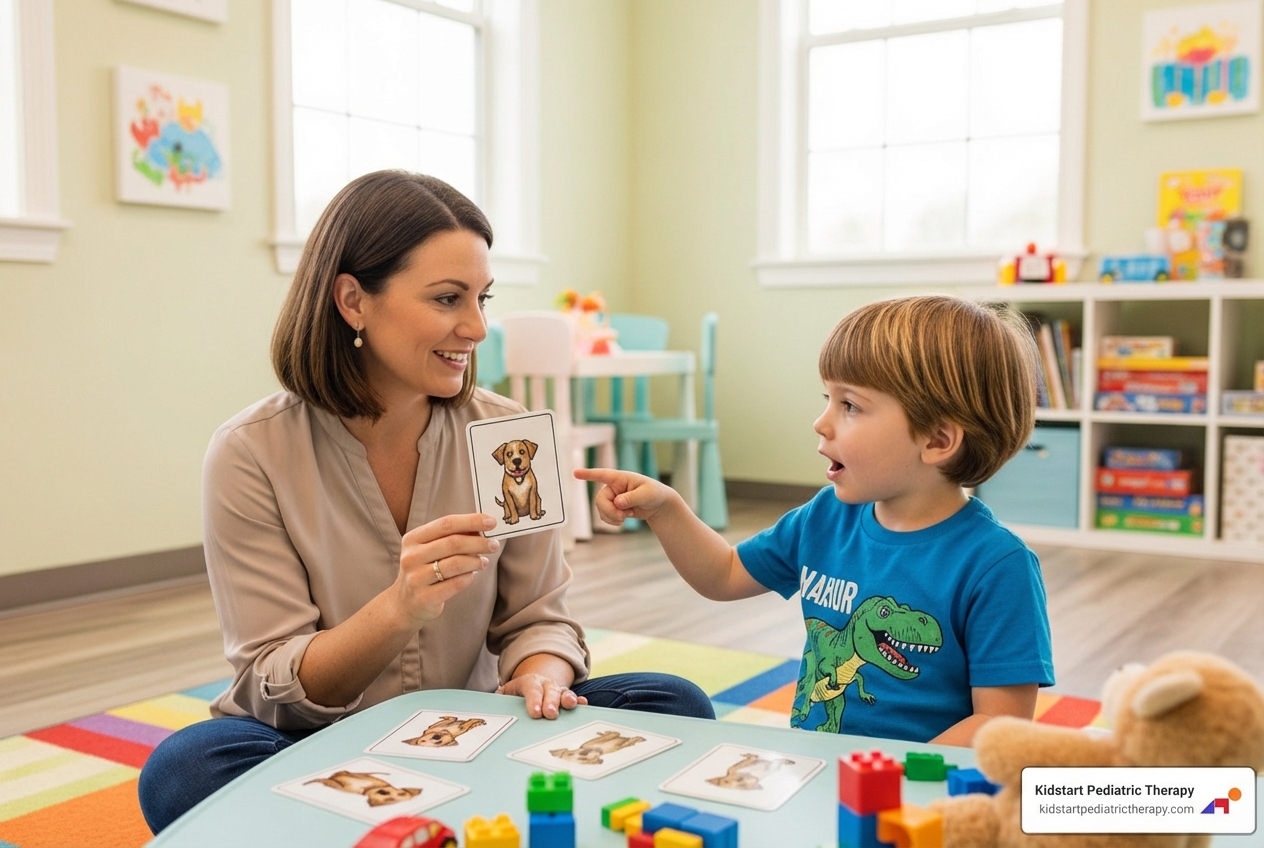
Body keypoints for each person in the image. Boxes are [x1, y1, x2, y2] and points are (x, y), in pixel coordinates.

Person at [138, 171, 713, 834]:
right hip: (327, 750)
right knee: (187, 769)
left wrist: (541, 676)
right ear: (353, 300)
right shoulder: (250, 453)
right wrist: (397, 609)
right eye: (447, 299)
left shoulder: (511, 436)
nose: (476, 327)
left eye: (482, 299)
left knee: (671, 703)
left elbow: (538, 618)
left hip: (483, 733)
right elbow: (273, 680)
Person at [578, 295, 1055, 747]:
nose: (821, 422)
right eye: (827, 398)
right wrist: (668, 509)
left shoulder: (997, 566)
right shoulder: (827, 516)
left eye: (850, 405)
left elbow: (999, 722)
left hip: (917, 799)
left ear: (936, 440)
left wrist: (890, 777)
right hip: (812, 771)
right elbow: (723, 574)